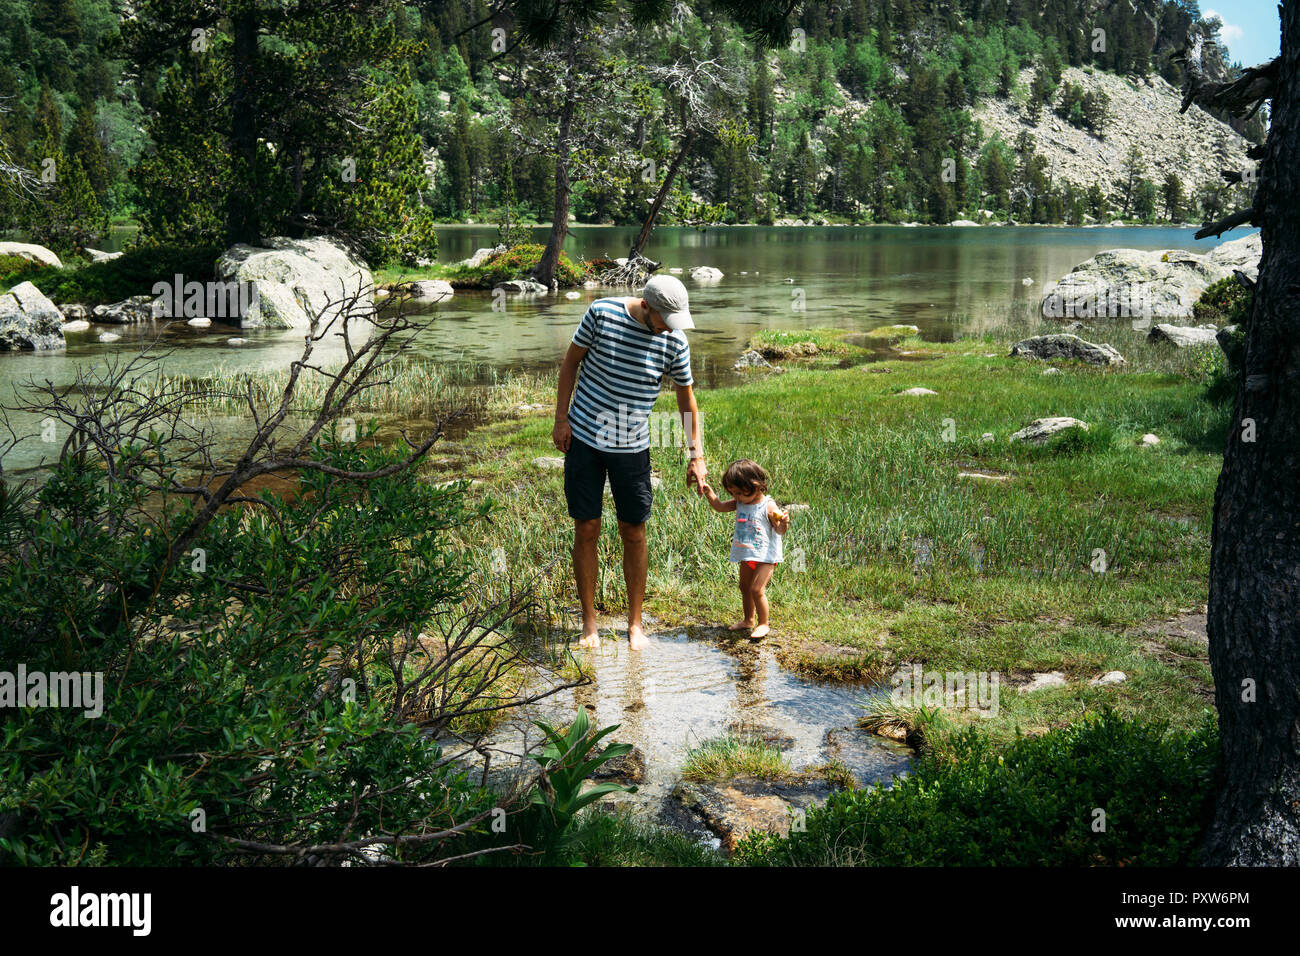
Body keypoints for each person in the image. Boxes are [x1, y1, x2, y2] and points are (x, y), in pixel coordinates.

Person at [552, 274, 706, 651]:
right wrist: (561, 418)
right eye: (664, 320)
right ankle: (589, 623)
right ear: (646, 305)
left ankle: (635, 624)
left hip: (632, 446)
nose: (669, 329)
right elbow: (571, 363)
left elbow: (686, 401)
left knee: (634, 531)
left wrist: (695, 455)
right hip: (585, 437)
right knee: (586, 527)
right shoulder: (601, 313)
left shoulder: (674, 341)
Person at [700, 459, 789, 639]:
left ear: (756, 486)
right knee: (744, 587)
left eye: (740, 492)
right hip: (747, 553)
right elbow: (720, 507)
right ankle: (748, 620)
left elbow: (779, 531)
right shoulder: (740, 502)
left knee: (757, 589)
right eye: (733, 493)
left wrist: (784, 523)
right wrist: (709, 493)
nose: (737, 497)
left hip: (766, 556)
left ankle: (764, 623)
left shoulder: (768, 506)